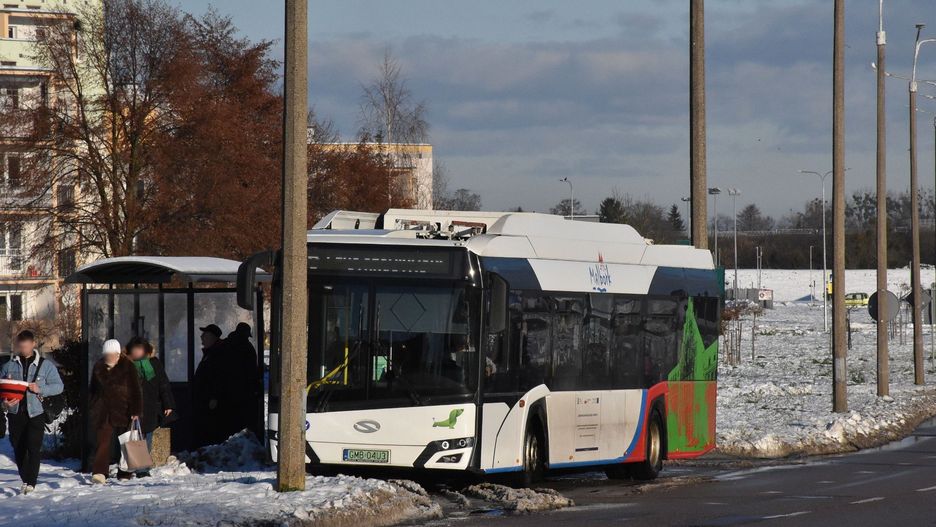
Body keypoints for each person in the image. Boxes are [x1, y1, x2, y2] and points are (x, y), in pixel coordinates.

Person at [0, 330, 64, 495]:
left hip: (36, 413)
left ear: (33, 344)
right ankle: (25, 478)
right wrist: (4, 402)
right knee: (18, 447)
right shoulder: (9, 365)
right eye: (21, 347)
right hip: (15, 413)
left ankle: (31, 482)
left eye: (26, 346)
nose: (23, 350)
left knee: (33, 447)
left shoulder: (46, 365)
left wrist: (40, 389)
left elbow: (59, 386)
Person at [89, 339, 142, 484]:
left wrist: (136, 410)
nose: (108, 357)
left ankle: (125, 472)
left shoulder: (128, 367)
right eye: (106, 354)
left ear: (118, 354)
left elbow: (136, 390)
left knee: (126, 441)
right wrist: (93, 406)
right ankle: (100, 472)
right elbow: (93, 390)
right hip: (103, 410)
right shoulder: (98, 367)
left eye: (111, 354)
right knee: (102, 441)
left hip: (124, 409)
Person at [125, 336, 174, 476]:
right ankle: (139, 467)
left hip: (151, 406)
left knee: (147, 435)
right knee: (136, 436)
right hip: (133, 406)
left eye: (140, 349)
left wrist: (168, 404)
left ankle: (142, 467)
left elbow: (163, 384)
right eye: (135, 349)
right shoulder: (127, 365)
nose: (137, 352)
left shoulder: (154, 364)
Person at [221, 323, 260, 439]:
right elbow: (252, 371)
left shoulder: (226, 344)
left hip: (226, 391)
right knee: (241, 423)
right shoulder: (247, 348)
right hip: (243, 391)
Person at [192, 324, 225, 447]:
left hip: (210, 401)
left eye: (205, 335)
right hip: (205, 399)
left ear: (212, 337)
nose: (201, 337)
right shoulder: (210, 353)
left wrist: (214, 397)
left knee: (210, 428)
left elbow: (219, 377)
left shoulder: (217, 354)